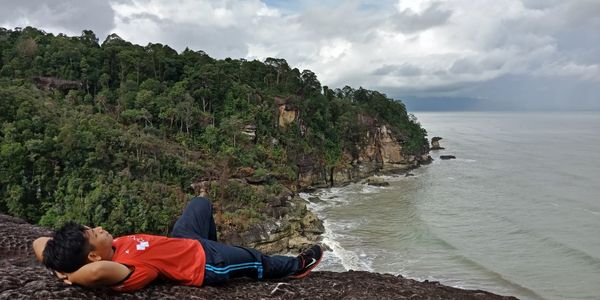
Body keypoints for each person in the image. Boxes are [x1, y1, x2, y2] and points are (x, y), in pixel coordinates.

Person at [32, 197, 323, 292]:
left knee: (200, 203)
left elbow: (38, 241)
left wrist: (56, 264)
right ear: (95, 256)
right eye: (93, 233)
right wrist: (70, 278)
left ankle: (217, 244)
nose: (98, 228)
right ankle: (297, 267)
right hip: (206, 263)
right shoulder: (124, 269)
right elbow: (92, 275)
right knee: (256, 259)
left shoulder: (109, 250)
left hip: (187, 242)